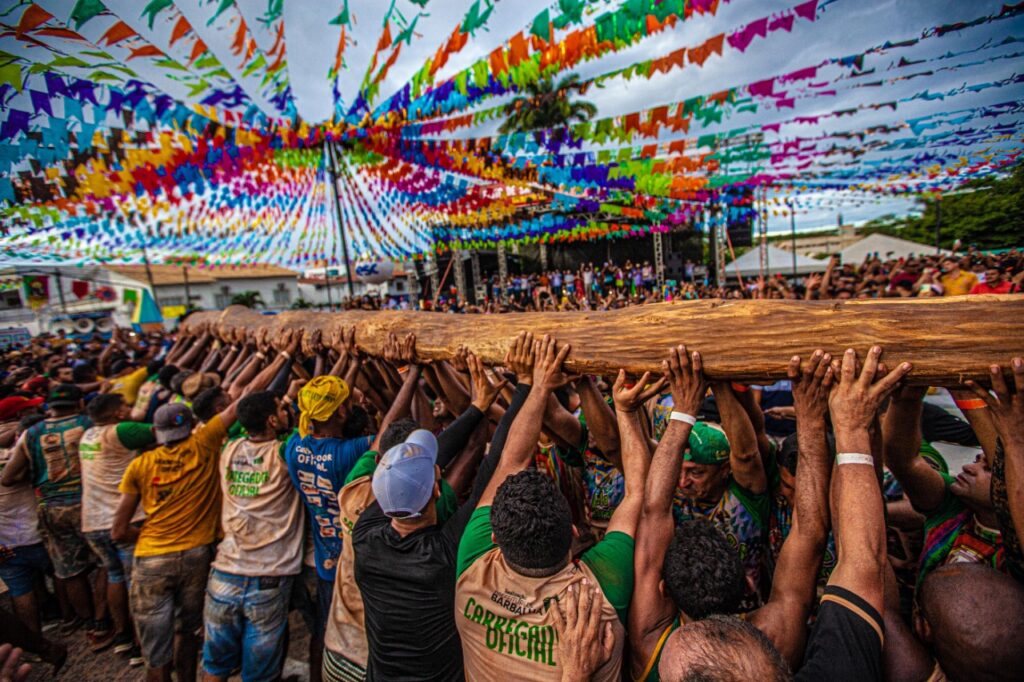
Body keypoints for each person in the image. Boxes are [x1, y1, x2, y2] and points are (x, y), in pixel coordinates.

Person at [658, 346, 911, 681]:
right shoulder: (786, 636)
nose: (685, 481)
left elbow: (648, 505)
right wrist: (834, 423)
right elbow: (827, 542)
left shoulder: (653, 639)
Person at [455, 335, 646, 680]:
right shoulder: (600, 589)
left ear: (494, 536)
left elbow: (509, 463)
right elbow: (638, 495)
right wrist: (627, 411)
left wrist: (536, 384)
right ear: (574, 534)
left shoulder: (472, 564)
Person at [112, 351, 284, 682]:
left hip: (150, 560)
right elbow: (241, 402)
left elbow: (118, 529)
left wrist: (151, 536)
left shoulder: (140, 465)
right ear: (192, 424)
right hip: (196, 554)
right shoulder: (204, 443)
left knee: (155, 654)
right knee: (188, 633)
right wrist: (277, 356)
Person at [349, 349, 507, 681]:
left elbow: (415, 471)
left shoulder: (365, 534)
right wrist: (522, 389)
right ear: (437, 489)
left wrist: (477, 407)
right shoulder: (443, 554)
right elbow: (497, 467)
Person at [200, 391, 303, 682]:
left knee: (215, 666)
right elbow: (311, 427)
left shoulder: (229, 450)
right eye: (282, 409)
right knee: (259, 674)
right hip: (267, 576)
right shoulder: (283, 454)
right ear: (272, 420)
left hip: (225, 572)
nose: (286, 412)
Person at [0, 384, 99, 640]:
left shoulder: (31, 434)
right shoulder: (86, 422)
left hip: (39, 519)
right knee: (102, 567)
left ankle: (82, 626)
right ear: (78, 403)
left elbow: (9, 477)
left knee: (65, 571)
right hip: (80, 506)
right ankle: (97, 619)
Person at [79, 393, 154, 661]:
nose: (129, 408)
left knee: (115, 577)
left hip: (93, 522)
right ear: (117, 414)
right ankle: (140, 645)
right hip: (123, 521)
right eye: (125, 406)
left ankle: (122, 635)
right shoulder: (123, 430)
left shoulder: (87, 436)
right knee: (138, 583)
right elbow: (166, 428)